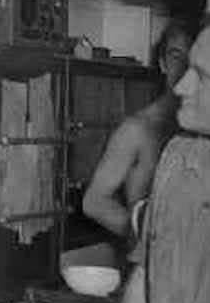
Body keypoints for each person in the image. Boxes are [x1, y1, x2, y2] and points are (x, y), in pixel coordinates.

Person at [98, 23, 210, 303]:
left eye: (203, 77)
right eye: (181, 63)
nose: (182, 86)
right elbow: (143, 285)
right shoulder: (178, 157)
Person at [82, 21, 195, 238]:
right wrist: (145, 235)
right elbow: (93, 202)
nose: (184, 68)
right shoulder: (137, 129)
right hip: (149, 264)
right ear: (162, 63)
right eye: (175, 55)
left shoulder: (203, 129)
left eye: (191, 59)